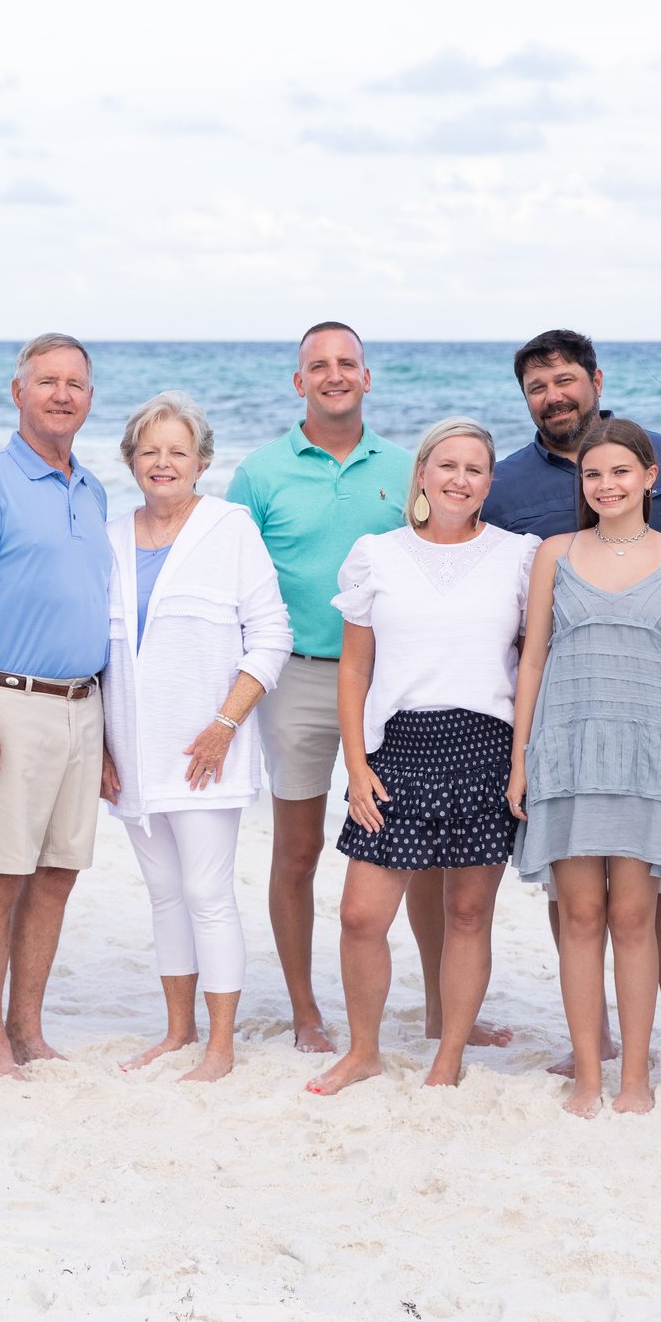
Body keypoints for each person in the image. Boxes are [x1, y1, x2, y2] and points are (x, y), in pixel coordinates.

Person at [482, 328, 661, 1099]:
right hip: (568, 750)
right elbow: (534, 658)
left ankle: (643, 1076)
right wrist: (520, 758)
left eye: (621, 471)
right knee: (579, 915)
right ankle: (589, 1070)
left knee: (640, 918)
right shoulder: (552, 552)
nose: (606, 483)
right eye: (594, 473)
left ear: (650, 475)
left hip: (653, 754)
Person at [227, 321, 464, 1057]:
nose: (334, 374)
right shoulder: (260, 473)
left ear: (368, 376)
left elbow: (441, 559)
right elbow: (233, 580)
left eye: (347, 363)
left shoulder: (407, 466)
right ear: (298, 381)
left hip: (393, 683)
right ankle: (305, 1009)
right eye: (317, 365)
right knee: (296, 850)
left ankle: (435, 1006)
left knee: (414, 848)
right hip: (295, 676)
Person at [307, 419, 541, 1095]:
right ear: (422, 473)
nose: (459, 478)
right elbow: (353, 671)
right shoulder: (375, 555)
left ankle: (449, 1057)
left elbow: (529, 663)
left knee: (468, 914)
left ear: (489, 483)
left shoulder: (519, 557)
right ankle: (363, 1050)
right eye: (447, 464)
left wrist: (522, 758)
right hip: (397, 747)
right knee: (359, 916)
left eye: (474, 468)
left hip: (483, 745)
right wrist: (356, 763)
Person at [0, 334, 111, 1078]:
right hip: (9, 702)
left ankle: (28, 1027)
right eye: (47, 381)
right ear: (18, 392)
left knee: (58, 873)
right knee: (0, 875)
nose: (62, 394)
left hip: (84, 707)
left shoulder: (94, 489)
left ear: (89, 397)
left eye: (75, 382)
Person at [99, 392, 292, 1082]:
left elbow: (272, 634)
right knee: (163, 895)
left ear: (202, 461)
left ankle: (220, 1045)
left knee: (209, 892)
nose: (163, 462)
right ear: (129, 460)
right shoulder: (111, 536)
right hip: (133, 753)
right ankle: (176, 1031)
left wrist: (224, 724)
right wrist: (100, 747)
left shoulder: (229, 528)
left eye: (178, 451)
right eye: (149, 450)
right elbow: (99, 650)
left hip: (206, 751)